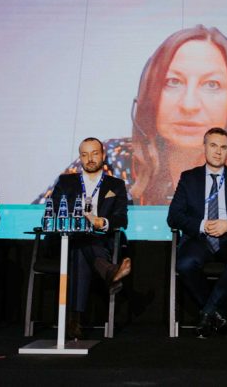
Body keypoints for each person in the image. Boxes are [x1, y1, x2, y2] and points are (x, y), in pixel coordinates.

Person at [36, 25, 227, 206]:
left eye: (212, 84)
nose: (189, 104)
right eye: (172, 82)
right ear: (148, 96)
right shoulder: (109, 160)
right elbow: (31, 223)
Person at [167, 127, 227, 337]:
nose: (218, 151)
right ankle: (217, 316)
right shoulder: (189, 178)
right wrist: (202, 224)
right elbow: (174, 217)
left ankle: (207, 313)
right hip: (198, 238)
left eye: (223, 147)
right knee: (185, 264)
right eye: (213, 145)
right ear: (205, 147)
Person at [48, 137, 132, 340]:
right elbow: (54, 211)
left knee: (82, 248)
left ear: (103, 155)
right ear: (80, 158)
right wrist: (79, 221)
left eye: (94, 153)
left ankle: (74, 321)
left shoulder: (116, 185)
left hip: (100, 240)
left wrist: (102, 222)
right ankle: (109, 271)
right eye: (85, 155)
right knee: (79, 242)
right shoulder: (65, 182)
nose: (90, 159)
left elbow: (122, 219)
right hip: (67, 240)